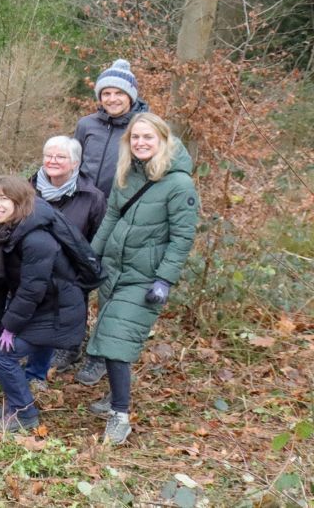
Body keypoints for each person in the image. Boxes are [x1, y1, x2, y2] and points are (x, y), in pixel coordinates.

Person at [81, 112, 199, 445]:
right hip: (114, 271)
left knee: (117, 341)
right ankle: (113, 398)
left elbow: (182, 238)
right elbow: (111, 218)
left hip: (145, 279)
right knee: (108, 332)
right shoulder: (128, 174)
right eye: (135, 137)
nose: (141, 143)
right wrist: (91, 256)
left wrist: (164, 279)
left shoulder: (179, 184)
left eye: (148, 137)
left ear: (163, 140)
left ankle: (120, 416)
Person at [0, 177, 86, 433]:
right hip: (36, 309)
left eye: (4, 199)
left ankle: (25, 414)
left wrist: (10, 327)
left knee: (2, 354)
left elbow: (32, 289)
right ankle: (14, 403)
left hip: (57, 312)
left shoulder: (36, 239)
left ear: (20, 203)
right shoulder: (2, 232)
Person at [32, 134, 109, 373]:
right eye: (49, 155)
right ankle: (37, 343)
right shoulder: (29, 190)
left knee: (69, 306)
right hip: (36, 264)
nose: (53, 160)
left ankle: (70, 347)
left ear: (75, 163)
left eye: (61, 157)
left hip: (73, 269)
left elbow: (99, 236)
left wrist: (87, 269)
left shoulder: (92, 196)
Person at [74, 59, 150, 190]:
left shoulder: (145, 127)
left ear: (130, 97)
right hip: (85, 202)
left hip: (124, 204)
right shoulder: (86, 125)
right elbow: (73, 164)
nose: (112, 99)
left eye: (119, 93)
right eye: (106, 94)